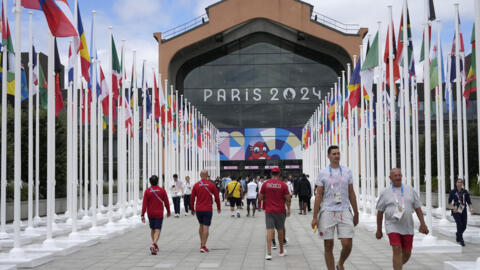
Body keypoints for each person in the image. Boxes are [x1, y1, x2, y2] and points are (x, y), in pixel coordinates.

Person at [311, 145, 359, 270]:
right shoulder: (323, 172)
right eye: (334, 154)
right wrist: (315, 217)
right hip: (327, 211)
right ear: (328, 156)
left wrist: (356, 212)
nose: (337, 156)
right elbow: (319, 195)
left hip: (344, 210)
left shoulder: (347, 171)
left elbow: (351, 193)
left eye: (338, 153)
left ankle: (341, 263)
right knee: (328, 244)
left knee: (347, 243)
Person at [376, 168, 429, 270]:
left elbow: (417, 208)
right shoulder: (385, 192)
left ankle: (397, 266)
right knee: (396, 248)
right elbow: (380, 212)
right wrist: (379, 229)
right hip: (392, 225)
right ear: (390, 178)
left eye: (399, 175)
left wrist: (423, 223)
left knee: (407, 253)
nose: (398, 177)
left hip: (407, 226)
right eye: (395, 176)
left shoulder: (410, 190)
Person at [259, 167, 291, 260]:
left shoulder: (265, 184)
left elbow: (260, 197)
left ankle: (268, 253)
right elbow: (288, 198)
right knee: (280, 230)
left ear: (271, 174)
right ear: (279, 174)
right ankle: (281, 250)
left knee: (269, 231)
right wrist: (288, 209)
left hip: (269, 210)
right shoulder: (283, 185)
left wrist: (267, 199)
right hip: (280, 211)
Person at [190, 170, 221, 253]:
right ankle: (203, 246)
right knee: (206, 227)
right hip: (207, 209)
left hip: (199, 209)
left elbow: (192, 198)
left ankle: (202, 243)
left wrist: (192, 209)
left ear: (200, 175)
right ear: (207, 175)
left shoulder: (196, 185)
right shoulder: (212, 185)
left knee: (201, 225)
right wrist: (218, 207)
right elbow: (217, 197)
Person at [141, 175, 171, 255]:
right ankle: (154, 244)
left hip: (150, 213)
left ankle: (155, 244)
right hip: (159, 213)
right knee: (158, 229)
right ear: (157, 181)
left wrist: (142, 214)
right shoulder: (162, 190)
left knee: (153, 229)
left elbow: (144, 204)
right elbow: (166, 202)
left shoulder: (147, 191)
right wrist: (168, 211)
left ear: (150, 182)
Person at [448, 178, 474, 246]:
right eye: (458, 182)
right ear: (456, 183)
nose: (459, 183)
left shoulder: (465, 192)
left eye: (461, 182)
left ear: (462, 184)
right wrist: (453, 208)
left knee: (464, 226)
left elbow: (469, 202)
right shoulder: (453, 191)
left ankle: (458, 234)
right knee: (459, 224)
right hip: (456, 209)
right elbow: (449, 202)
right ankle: (461, 239)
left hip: (463, 209)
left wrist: (471, 209)